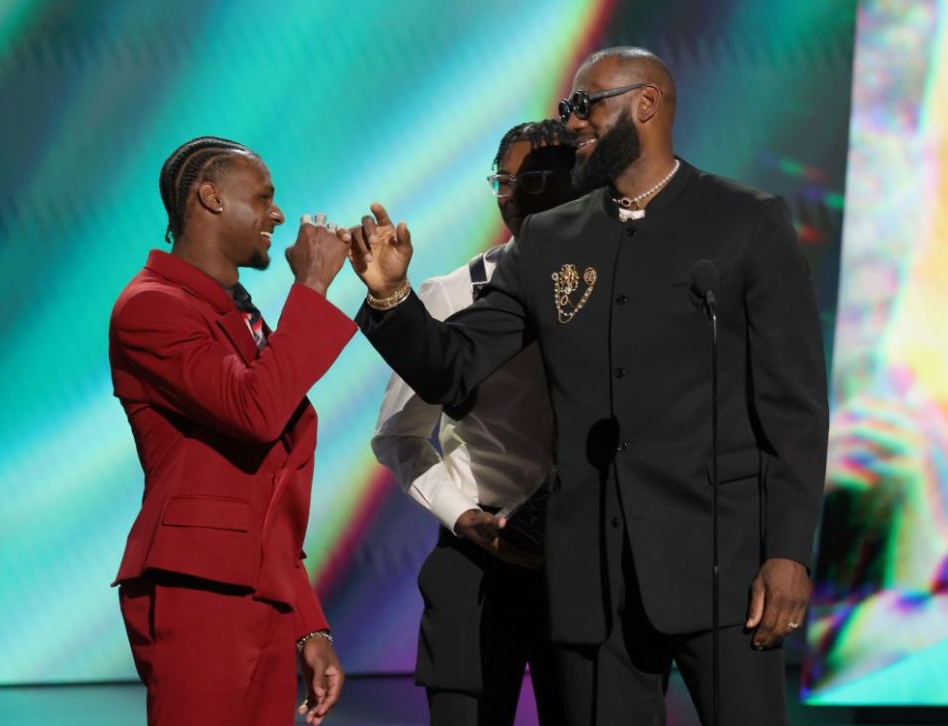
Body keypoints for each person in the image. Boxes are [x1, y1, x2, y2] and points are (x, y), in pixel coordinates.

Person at [348, 47, 829, 725]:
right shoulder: (548, 239)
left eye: (585, 105)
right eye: (568, 107)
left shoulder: (745, 222)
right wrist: (395, 299)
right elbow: (453, 365)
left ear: (647, 103)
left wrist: (786, 553)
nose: (571, 122)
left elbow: (794, 411)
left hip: (721, 568)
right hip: (592, 582)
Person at [109, 136, 354, 726]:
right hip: (198, 588)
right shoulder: (151, 307)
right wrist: (313, 288)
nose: (278, 214)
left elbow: (270, 485)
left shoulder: (239, 315)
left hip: (259, 591)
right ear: (210, 196)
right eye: (264, 198)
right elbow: (255, 411)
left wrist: (306, 625)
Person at [371, 119, 577, 725]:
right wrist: (463, 516)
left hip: (580, 552)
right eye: (502, 180)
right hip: (478, 554)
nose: (513, 194)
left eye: (535, 178)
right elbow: (398, 435)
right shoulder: (448, 295)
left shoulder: (616, 292)